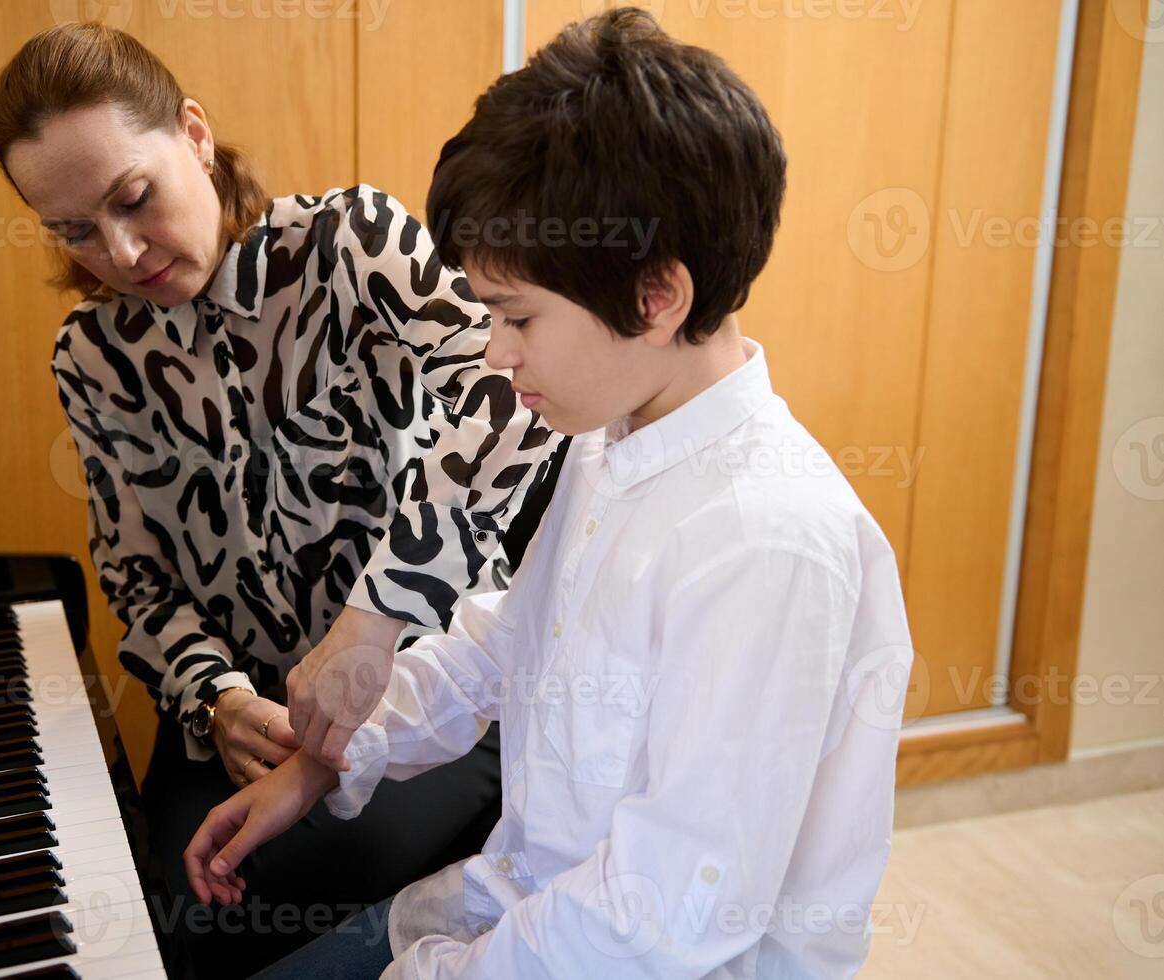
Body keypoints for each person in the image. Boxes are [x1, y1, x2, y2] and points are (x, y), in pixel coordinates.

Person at [183, 8, 916, 978]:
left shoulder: (767, 539)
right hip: (516, 904)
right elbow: (507, 638)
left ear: (657, 297)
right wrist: (325, 759)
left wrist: (434, 969)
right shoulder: (612, 434)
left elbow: (663, 914)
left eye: (515, 314)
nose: (493, 351)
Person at [0, 22, 564, 978]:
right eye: (74, 230)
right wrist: (214, 696)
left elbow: (510, 394)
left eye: (134, 198)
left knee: (237, 923)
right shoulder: (89, 359)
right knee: (171, 907)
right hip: (245, 708)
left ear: (195, 135)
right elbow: (134, 573)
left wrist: (373, 617)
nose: (121, 252)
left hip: (430, 679)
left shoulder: (351, 243)